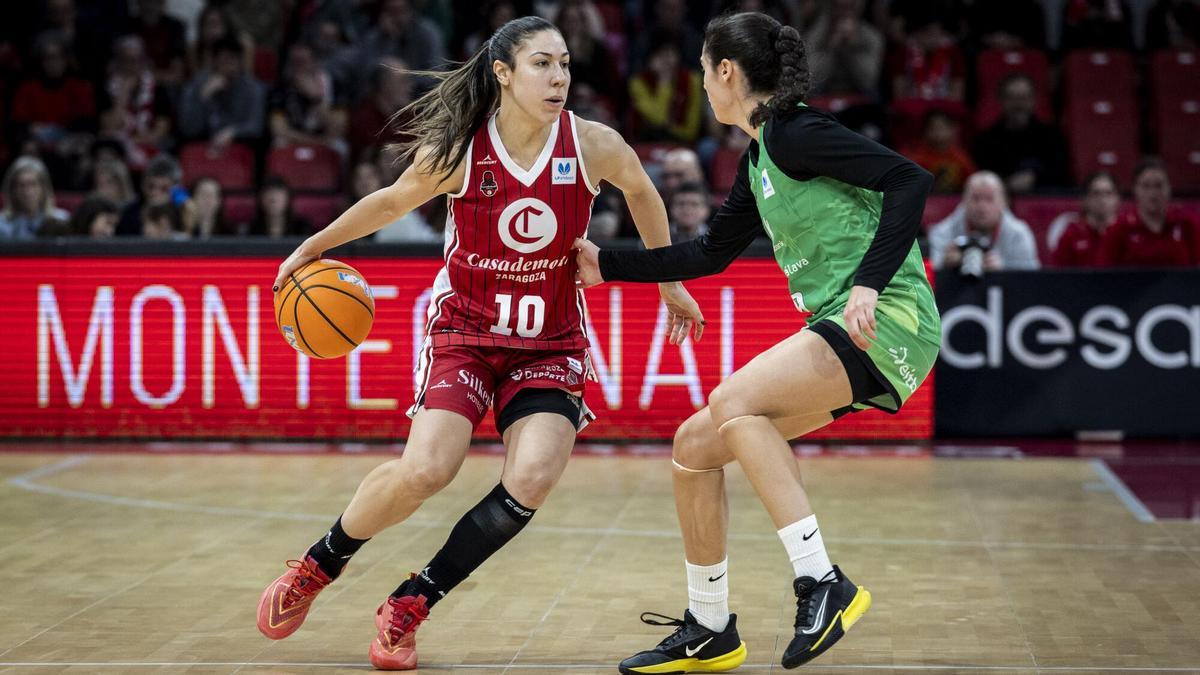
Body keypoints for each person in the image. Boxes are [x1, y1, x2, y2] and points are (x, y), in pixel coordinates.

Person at [256, 16, 703, 671]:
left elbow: (642, 191)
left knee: (532, 477)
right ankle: (320, 564)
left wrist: (669, 282)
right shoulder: (464, 149)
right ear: (503, 74)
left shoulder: (593, 144)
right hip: (465, 331)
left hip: (550, 341)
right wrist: (310, 247)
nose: (558, 78)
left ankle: (412, 600)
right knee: (427, 470)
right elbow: (388, 202)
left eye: (565, 65)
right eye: (542, 65)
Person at [574, 11, 940, 672]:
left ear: (726, 71)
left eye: (704, 71)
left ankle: (820, 580)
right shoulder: (760, 157)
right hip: (849, 326)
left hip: (886, 316)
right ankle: (710, 624)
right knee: (693, 446)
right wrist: (609, 265)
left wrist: (869, 283)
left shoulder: (798, 133)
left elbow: (910, 179)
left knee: (733, 401)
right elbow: (710, 252)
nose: (702, 86)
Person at [972, 74, 1069, 194]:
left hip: (1043, 201)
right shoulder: (985, 140)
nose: (1018, 104)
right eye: (1012, 98)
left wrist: (1035, 178)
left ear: (1034, 100)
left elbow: (1063, 176)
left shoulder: (1053, 137)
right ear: (1001, 100)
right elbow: (980, 178)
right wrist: (1005, 182)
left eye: (1024, 98)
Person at [928, 171, 1040, 272]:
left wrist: (1004, 270)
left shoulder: (1019, 234)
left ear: (1004, 203)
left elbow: (1031, 279)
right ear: (964, 201)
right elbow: (926, 275)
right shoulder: (942, 232)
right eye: (975, 198)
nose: (982, 207)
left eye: (989, 199)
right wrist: (944, 265)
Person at [1098, 158, 1198, 267]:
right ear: (1135, 189)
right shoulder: (1119, 229)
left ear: (1169, 188)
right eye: (1145, 186)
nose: (1153, 193)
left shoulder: (1187, 224)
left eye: (1159, 185)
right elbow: (1104, 276)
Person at [1048, 171, 1120, 267]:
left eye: (1108, 193)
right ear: (1085, 199)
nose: (1103, 199)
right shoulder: (1071, 234)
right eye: (1096, 193)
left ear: (1117, 199)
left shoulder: (1125, 233)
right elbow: (1057, 274)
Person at [0, 156, 70, 240]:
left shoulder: (62, 220)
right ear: (12, 190)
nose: (27, 192)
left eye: (33, 184)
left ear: (44, 189)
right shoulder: (2, 224)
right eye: (21, 185)